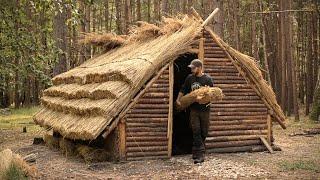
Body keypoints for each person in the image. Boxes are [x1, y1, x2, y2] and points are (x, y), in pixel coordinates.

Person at [176, 59, 214, 164]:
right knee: (196, 130)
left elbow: (211, 94)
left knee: (204, 132)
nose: (192, 69)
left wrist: (201, 99)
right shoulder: (190, 78)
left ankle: (195, 150)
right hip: (194, 110)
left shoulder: (208, 79)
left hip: (205, 110)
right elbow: (183, 89)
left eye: (193, 68)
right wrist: (178, 99)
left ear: (200, 68)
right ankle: (200, 155)